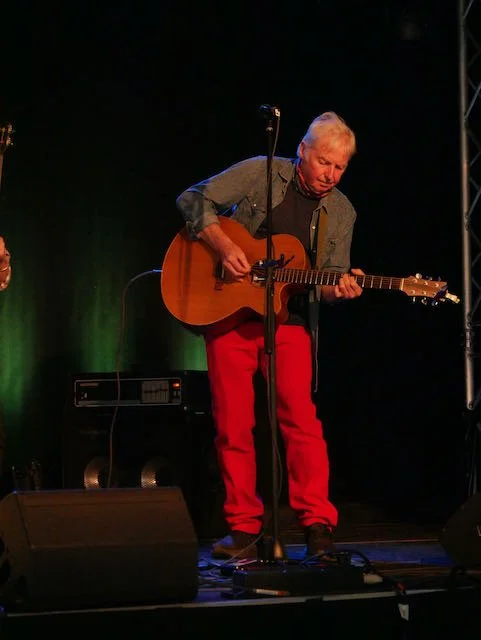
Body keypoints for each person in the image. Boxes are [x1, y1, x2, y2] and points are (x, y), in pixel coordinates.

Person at [176, 111, 364, 560]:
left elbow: (329, 279)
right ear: (302, 150)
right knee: (233, 425)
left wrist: (342, 288)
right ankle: (243, 530)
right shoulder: (262, 172)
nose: (330, 175)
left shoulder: (341, 211)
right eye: (323, 162)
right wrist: (224, 246)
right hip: (231, 315)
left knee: (302, 423)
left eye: (339, 167)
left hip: (289, 321)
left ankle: (317, 526)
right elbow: (191, 199)